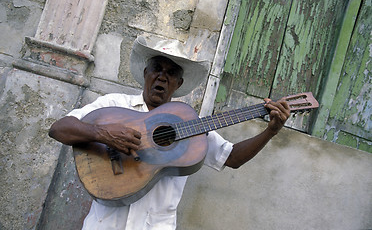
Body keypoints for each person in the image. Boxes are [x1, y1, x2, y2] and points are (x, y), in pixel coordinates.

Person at [49, 35, 290, 230]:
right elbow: (59, 128)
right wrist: (103, 134)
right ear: (145, 73)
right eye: (157, 68)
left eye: (171, 72)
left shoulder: (190, 126)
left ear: (179, 84)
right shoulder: (115, 105)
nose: (162, 76)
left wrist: (270, 131)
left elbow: (232, 157)